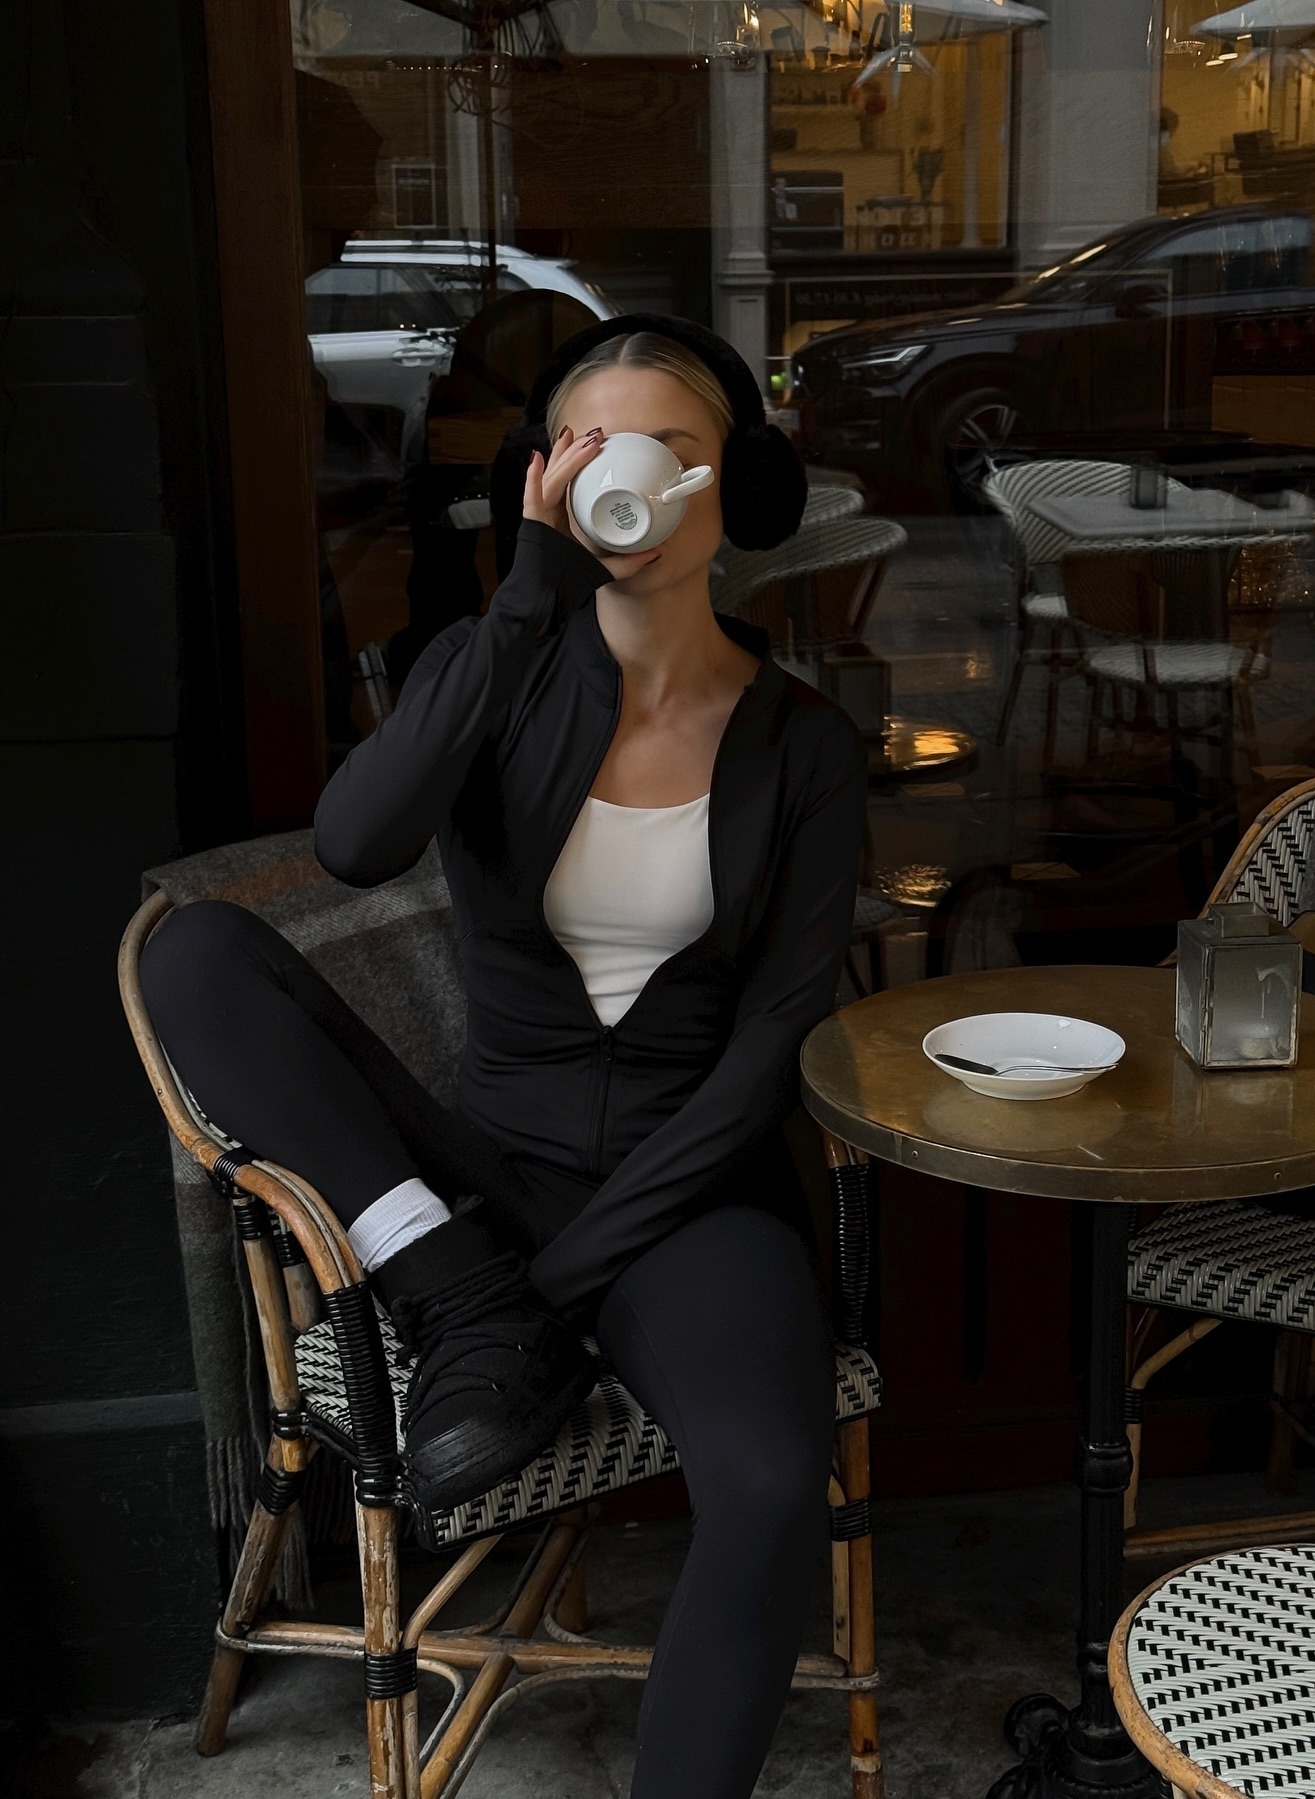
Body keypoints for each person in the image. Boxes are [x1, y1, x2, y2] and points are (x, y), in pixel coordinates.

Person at [139, 316, 868, 1799]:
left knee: (770, 1483)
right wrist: (524, 601)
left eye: (667, 449)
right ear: (544, 480)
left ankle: (498, 1320)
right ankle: (449, 1290)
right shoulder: (495, 668)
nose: (627, 481)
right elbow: (356, 843)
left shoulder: (804, 742)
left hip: (690, 1186)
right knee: (192, 950)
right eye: (591, 449)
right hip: (481, 1178)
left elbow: (771, 1047)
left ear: (737, 485)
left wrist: (567, 1279)